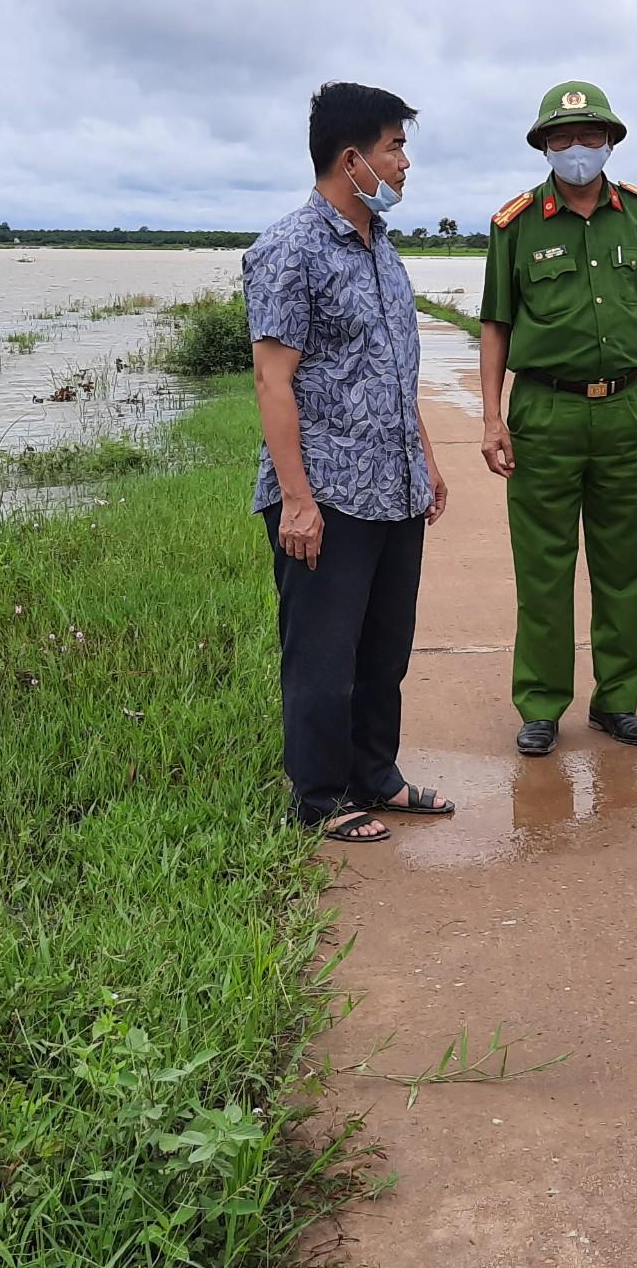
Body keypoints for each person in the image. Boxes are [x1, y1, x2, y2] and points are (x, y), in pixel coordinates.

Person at [246, 82, 454, 845]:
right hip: (327, 495)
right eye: (395, 146)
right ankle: (320, 798)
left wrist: (426, 461)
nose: (405, 164)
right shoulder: (289, 250)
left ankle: (378, 776)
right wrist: (296, 501)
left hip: (393, 488)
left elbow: (394, 368)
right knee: (323, 659)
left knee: (383, 650)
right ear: (350, 158)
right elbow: (273, 379)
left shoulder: (382, 249)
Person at [478, 80, 637, 757]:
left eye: (590, 135)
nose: (577, 148)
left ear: (610, 140)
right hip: (545, 409)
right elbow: (495, 325)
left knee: (628, 562)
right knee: (543, 564)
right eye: (563, 137)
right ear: (544, 144)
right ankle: (541, 704)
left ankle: (619, 701)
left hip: (628, 406)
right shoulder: (515, 225)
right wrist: (491, 417)